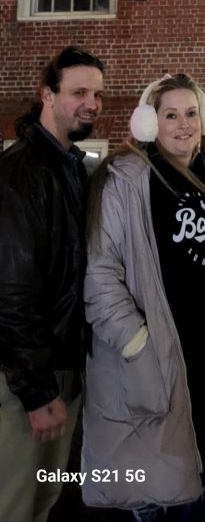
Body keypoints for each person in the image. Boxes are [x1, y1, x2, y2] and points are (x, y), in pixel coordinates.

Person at [81, 73, 205, 521]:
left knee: (202, 475)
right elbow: (101, 274)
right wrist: (137, 345)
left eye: (191, 113)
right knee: (156, 489)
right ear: (150, 123)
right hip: (161, 361)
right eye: (170, 115)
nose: (183, 125)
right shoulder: (126, 181)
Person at [0, 45, 105, 522]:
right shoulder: (21, 173)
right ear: (48, 94)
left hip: (62, 367)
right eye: (79, 91)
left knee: (42, 501)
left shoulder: (70, 168)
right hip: (24, 380)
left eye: (98, 94)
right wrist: (38, 392)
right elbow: (12, 290)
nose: (92, 103)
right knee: (13, 504)